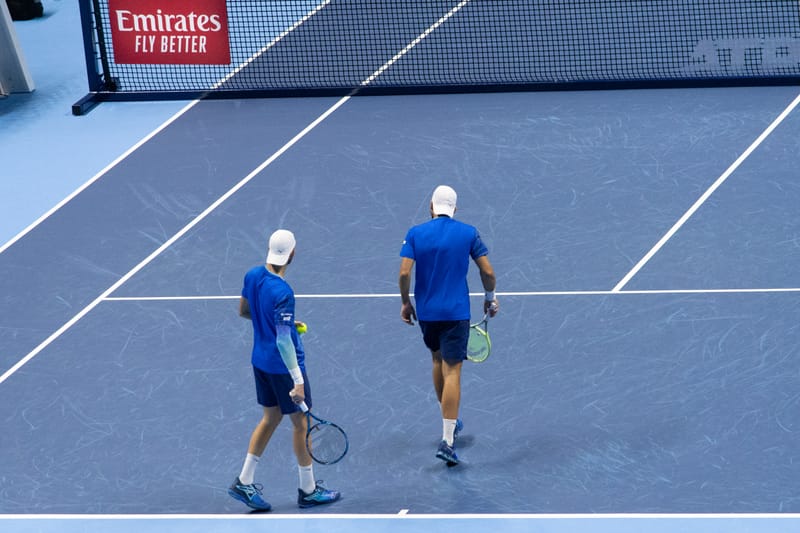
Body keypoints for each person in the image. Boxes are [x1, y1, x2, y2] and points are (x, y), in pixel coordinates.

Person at [228, 229, 340, 511]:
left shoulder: (253, 275)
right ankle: (308, 490)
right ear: (292, 253)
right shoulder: (283, 292)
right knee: (301, 425)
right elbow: (282, 341)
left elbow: (244, 311)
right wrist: (297, 380)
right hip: (283, 368)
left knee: (270, 418)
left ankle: (244, 480)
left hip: (260, 362)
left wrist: (285, 324)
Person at [398, 185, 499, 466]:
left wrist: (406, 303)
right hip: (456, 312)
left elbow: (404, 273)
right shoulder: (468, 233)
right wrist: (490, 297)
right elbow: (488, 271)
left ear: (431, 207)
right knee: (452, 371)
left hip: (428, 313)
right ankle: (447, 440)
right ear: (455, 209)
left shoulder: (415, 233)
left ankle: (449, 419)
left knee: (436, 360)